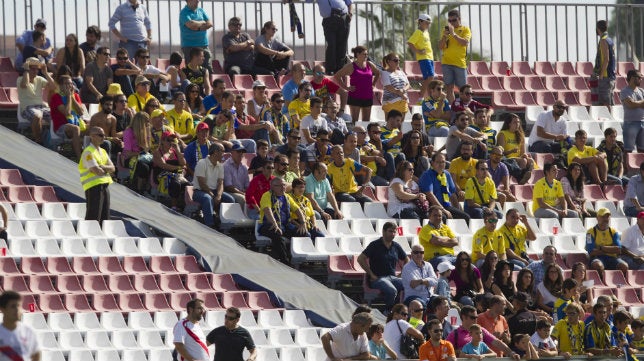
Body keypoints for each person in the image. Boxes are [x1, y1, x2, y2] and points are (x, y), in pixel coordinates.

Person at [358, 222, 409, 311]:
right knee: (392, 290)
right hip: (378, 279)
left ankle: (403, 310)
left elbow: (406, 259)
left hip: (393, 277)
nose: (392, 234)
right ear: (383, 231)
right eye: (390, 231)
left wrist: (402, 273)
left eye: (394, 232)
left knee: (409, 285)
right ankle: (389, 312)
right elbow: (360, 259)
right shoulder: (374, 245)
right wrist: (371, 274)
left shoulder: (396, 246)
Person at [258, 178, 309, 264]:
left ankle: (299, 260)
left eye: (284, 185)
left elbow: (297, 210)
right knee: (278, 235)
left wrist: (303, 223)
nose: (283, 187)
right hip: (268, 225)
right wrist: (275, 224)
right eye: (279, 186)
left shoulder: (287, 196)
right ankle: (285, 262)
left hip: (285, 225)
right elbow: (267, 210)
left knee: (303, 233)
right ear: (272, 187)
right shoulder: (266, 196)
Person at [333, 45, 380, 123]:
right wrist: (346, 87)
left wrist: (373, 84)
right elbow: (337, 76)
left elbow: (378, 73)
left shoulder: (369, 64)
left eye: (367, 54)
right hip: (355, 96)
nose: (366, 56)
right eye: (364, 54)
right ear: (357, 54)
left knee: (366, 122)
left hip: (368, 96)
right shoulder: (351, 66)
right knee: (355, 121)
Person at [78, 126, 114, 223]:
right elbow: (96, 170)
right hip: (93, 187)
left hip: (104, 186)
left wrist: (102, 167)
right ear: (92, 136)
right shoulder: (88, 152)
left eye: (104, 135)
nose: (103, 137)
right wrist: (105, 168)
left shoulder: (103, 151)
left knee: (105, 216)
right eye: (100, 135)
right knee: (93, 216)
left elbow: (113, 168)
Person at [192, 143, 233, 229]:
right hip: (199, 191)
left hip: (214, 191)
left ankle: (226, 224)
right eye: (222, 151)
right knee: (207, 198)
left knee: (230, 199)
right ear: (215, 152)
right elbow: (202, 183)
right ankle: (210, 225)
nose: (224, 154)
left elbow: (220, 183)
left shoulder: (220, 166)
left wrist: (218, 195)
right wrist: (212, 195)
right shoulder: (202, 163)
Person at [419, 153, 470, 221]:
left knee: (465, 217)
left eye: (443, 162)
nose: (441, 164)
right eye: (438, 162)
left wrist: (457, 209)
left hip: (446, 206)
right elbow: (430, 195)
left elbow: (452, 194)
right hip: (432, 207)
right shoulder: (427, 175)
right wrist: (442, 210)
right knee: (443, 218)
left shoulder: (447, 174)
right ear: (432, 163)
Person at [307, 0, 352, 75]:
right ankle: (331, 70)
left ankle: (340, 70)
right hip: (329, 19)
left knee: (342, 46)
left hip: (344, 17)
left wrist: (350, 13)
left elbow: (349, 3)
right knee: (332, 45)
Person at [17, 57, 53, 144]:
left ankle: (53, 140)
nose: (36, 71)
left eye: (37, 69)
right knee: (37, 116)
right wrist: (25, 70)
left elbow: (53, 87)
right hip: (27, 108)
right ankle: (39, 141)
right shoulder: (20, 79)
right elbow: (25, 84)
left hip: (41, 107)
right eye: (33, 69)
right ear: (27, 69)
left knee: (57, 115)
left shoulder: (39, 79)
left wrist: (45, 73)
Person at [586, 207, 628, 280]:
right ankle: (602, 282)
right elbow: (591, 252)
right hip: (598, 258)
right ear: (597, 218)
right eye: (603, 216)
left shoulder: (613, 231)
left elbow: (618, 249)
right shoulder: (590, 232)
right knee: (597, 265)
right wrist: (611, 248)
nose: (605, 219)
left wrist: (601, 247)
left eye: (607, 216)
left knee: (624, 266)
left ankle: (616, 282)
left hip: (612, 258)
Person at [439, 9, 471, 103]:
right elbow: (440, 47)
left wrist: (453, 34)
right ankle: (453, 108)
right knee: (449, 87)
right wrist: (444, 37)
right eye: (450, 21)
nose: (452, 23)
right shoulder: (445, 31)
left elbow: (465, 42)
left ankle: (464, 109)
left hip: (460, 63)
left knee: (463, 89)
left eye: (454, 20)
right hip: (446, 63)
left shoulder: (465, 29)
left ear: (459, 19)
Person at [49, 74, 85, 159]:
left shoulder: (75, 95)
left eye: (70, 83)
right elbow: (67, 113)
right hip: (61, 127)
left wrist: (72, 98)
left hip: (76, 123)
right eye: (66, 84)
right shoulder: (56, 97)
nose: (69, 86)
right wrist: (69, 97)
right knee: (76, 129)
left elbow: (81, 112)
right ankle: (79, 158)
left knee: (93, 128)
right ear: (61, 86)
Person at [0, 290, 41, 361]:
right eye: (13, 306)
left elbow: (36, 354)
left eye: (18, 306)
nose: (17, 309)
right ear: (3, 309)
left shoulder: (28, 331)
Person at [497, 112, 534, 184]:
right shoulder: (503, 134)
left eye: (518, 122)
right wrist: (511, 151)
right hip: (507, 159)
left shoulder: (521, 135)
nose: (517, 124)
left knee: (530, 161)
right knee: (523, 161)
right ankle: (520, 179)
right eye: (514, 122)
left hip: (518, 158)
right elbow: (501, 152)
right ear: (509, 124)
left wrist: (524, 155)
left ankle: (523, 178)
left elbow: (523, 153)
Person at [180, 0, 213, 72]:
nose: (198, 1)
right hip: (189, 46)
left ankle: (208, 83)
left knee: (208, 69)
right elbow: (191, 25)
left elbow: (210, 23)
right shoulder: (183, 12)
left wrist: (197, 27)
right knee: (192, 70)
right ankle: (192, 84)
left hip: (203, 45)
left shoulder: (201, 11)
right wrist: (203, 22)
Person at [407, 14, 434, 97]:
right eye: (427, 23)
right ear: (420, 22)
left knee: (428, 79)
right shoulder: (418, 32)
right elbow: (410, 42)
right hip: (424, 58)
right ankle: (421, 95)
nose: (428, 25)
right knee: (430, 76)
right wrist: (418, 51)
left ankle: (428, 97)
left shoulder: (426, 32)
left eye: (429, 23)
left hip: (430, 57)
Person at [593, 20, 616, 108]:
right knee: (609, 101)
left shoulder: (603, 41)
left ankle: (611, 120)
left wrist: (601, 75)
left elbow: (606, 59)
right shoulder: (610, 40)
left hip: (606, 76)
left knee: (606, 103)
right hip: (611, 75)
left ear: (598, 29)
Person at [380, 52, 410, 117]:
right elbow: (389, 87)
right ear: (389, 61)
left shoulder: (401, 72)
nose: (398, 62)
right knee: (390, 125)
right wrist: (402, 94)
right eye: (395, 60)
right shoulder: (384, 73)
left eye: (398, 60)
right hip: (390, 102)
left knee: (400, 126)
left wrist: (403, 91)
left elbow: (408, 84)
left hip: (403, 102)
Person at [621, 69, 644, 153]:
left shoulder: (641, 91)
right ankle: (627, 166)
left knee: (642, 150)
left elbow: (633, 104)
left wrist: (635, 103)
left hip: (642, 122)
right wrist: (641, 103)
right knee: (628, 150)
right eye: (639, 77)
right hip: (630, 123)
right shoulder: (624, 91)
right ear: (632, 78)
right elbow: (630, 105)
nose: (641, 79)